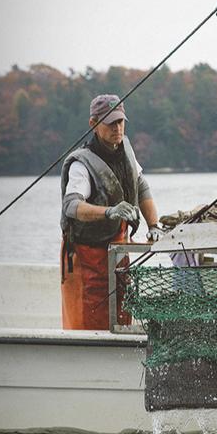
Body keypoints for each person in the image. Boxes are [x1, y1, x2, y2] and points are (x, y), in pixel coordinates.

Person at [60, 94, 162, 330]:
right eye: (110, 122)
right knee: (90, 322)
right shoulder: (81, 165)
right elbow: (71, 206)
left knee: (122, 316)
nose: (117, 128)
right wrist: (109, 212)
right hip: (88, 258)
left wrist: (154, 225)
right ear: (93, 124)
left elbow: (142, 185)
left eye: (121, 121)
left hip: (118, 252)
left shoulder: (126, 150)